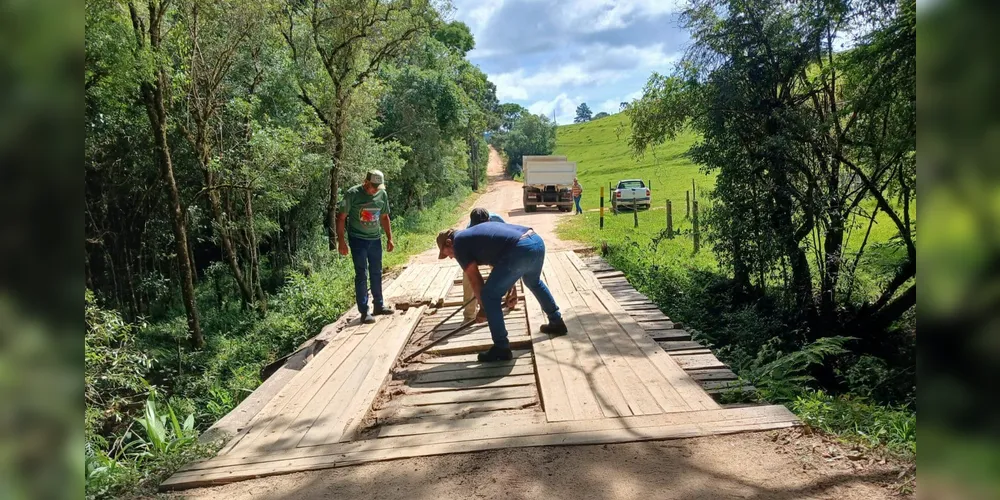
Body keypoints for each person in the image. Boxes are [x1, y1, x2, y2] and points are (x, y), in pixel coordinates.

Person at [437, 222, 567, 362]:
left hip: (520, 249)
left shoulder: (459, 244)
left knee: (489, 296)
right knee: (533, 282)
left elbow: (475, 279)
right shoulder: (471, 236)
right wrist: (510, 289)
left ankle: (501, 348)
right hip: (535, 242)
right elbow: (501, 264)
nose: (451, 257)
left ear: (449, 243)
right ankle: (556, 322)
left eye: (447, 253)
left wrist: (484, 309)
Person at [337, 170, 394, 324]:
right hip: (358, 240)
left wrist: (390, 238)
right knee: (361, 274)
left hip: (375, 239)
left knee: (376, 272)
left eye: (377, 187)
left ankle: (379, 305)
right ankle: (364, 311)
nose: (375, 190)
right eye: (373, 186)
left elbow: (384, 216)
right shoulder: (353, 194)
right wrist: (341, 241)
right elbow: (341, 217)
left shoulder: (382, 194)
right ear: (366, 182)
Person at [462, 208, 517, 322]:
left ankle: (510, 300)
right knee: (467, 275)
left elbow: (509, 245)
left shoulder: (498, 220)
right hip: (479, 252)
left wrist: (512, 286)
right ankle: (469, 314)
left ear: (489, 220)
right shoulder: (469, 229)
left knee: (504, 271)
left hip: (496, 250)